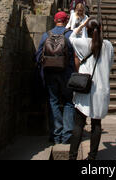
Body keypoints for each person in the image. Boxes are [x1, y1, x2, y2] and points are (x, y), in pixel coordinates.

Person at [69, 18, 114, 161]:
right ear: (100, 29)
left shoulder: (83, 43)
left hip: (85, 88)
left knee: (78, 124)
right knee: (96, 124)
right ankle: (92, 157)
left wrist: (81, 25)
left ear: (86, 30)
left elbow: (71, 37)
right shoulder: (108, 46)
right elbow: (110, 64)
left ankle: (73, 156)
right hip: (100, 89)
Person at [36, 11, 75, 145]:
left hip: (50, 73)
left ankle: (56, 134)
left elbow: (38, 55)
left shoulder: (46, 35)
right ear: (66, 20)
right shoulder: (70, 35)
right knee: (69, 102)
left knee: (53, 101)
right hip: (67, 73)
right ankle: (67, 135)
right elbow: (76, 56)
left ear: (55, 20)